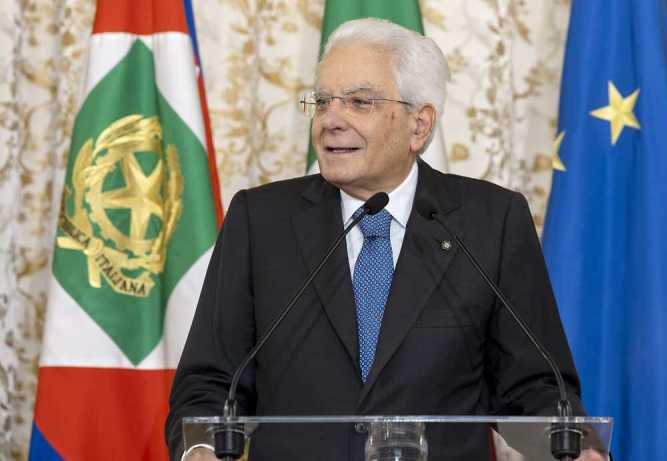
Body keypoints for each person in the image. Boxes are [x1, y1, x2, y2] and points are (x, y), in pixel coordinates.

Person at [166, 18, 603, 461]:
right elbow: (211, 382)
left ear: (419, 126)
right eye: (323, 101)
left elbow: (532, 386)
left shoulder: (490, 222)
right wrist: (200, 447)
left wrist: (573, 447)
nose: (331, 120)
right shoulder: (261, 221)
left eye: (359, 102)